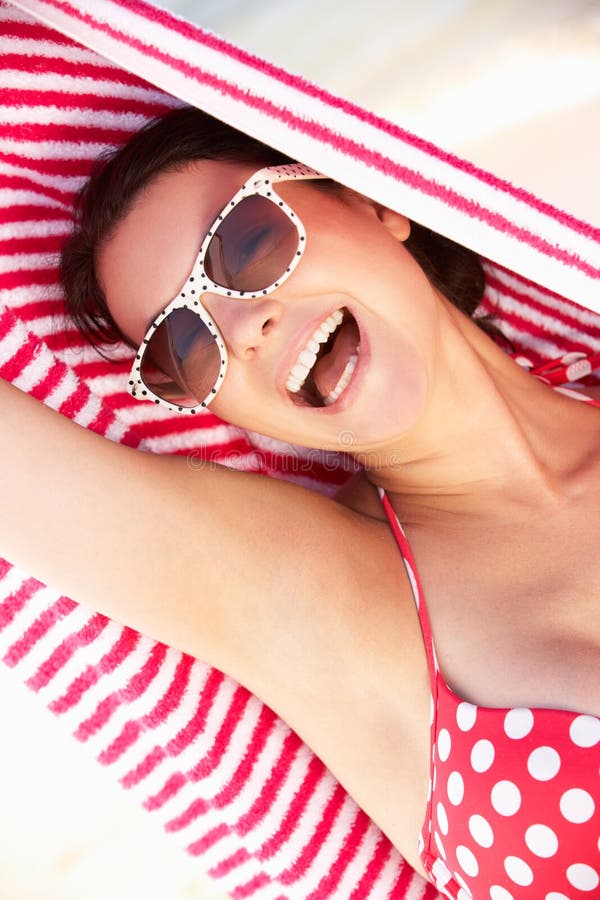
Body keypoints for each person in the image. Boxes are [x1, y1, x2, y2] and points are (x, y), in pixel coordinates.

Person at [2, 106, 599, 899]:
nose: (240, 331)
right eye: (186, 348)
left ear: (372, 200)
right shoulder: (327, 595)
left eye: (250, 242)